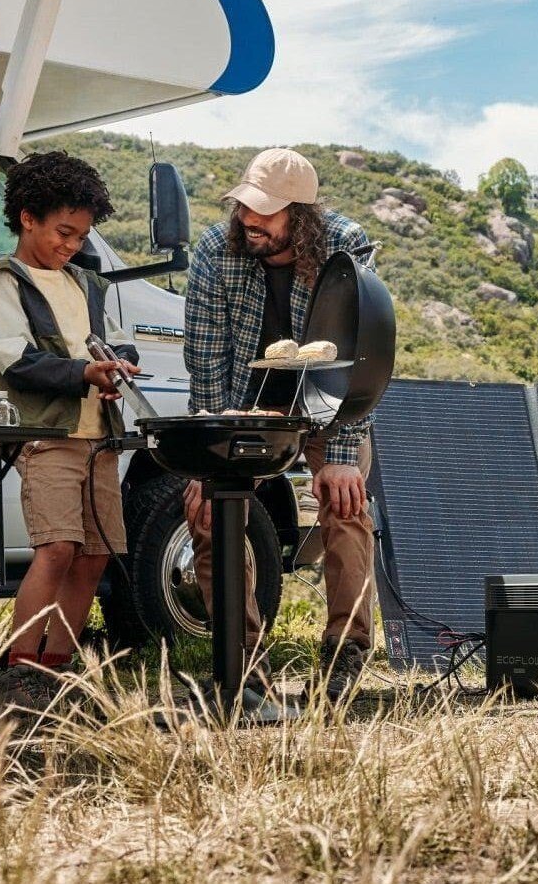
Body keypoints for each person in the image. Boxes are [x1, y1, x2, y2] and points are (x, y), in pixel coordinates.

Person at [184, 147, 377, 702]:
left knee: (346, 505)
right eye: (245, 206)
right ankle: (241, 663)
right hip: (246, 400)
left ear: (303, 215)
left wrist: (340, 452)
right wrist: (206, 457)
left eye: (265, 213)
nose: (249, 221)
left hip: (330, 398)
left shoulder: (348, 247)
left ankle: (346, 655)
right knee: (207, 509)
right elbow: (206, 361)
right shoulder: (214, 252)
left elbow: (362, 356)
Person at [0, 150, 140, 712]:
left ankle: (57, 671)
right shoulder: (4, 282)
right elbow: (14, 359)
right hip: (47, 434)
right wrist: (83, 372)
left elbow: (117, 339)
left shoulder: (88, 284)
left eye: (80, 236)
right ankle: (19, 674)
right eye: (63, 232)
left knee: (93, 554)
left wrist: (118, 364)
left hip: (100, 435)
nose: (71, 245)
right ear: (26, 218)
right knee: (57, 547)